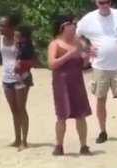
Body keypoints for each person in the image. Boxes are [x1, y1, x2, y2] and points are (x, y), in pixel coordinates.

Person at [76, 0, 117, 145]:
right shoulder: (89, 18)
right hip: (99, 67)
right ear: (96, 3)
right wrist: (86, 47)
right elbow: (77, 34)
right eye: (101, 2)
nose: (104, 5)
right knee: (100, 99)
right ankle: (102, 131)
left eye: (107, 2)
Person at [48, 15, 92, 156]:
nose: (73, 26)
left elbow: (85, 64)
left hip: (77, 82)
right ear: (62, 27)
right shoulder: (55, 44)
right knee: (61, 115)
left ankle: (84, 146)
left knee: (81, 114)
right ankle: (59, 146)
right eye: (70, 23)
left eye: (74, 23)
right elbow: (52, 64)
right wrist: (69, 54)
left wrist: (86, 58)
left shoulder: (79, 42)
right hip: (61, 84)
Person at [0, 14, 33, 151]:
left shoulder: (20, 40)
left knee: (21, 108)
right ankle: (17, 138)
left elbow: (29, 56)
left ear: (11, 27)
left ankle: (24, 141)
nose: (0, 28)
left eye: (3, 25)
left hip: (21, 77)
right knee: (13, 110)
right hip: (6, 77)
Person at [14, 25, 35, 91]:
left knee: (17, 71)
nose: (15, 38)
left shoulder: (24, 46)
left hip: (24, 66)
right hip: (25, 66)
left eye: (17, 37)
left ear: (24, 38)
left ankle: (21, 82)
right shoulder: (25, 44)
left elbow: (21, 55)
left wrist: (18, 61)